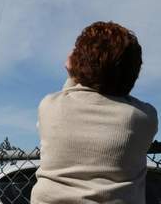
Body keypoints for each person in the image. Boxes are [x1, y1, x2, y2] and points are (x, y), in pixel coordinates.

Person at [31, 21, 158, 203]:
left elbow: (70, 97)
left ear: (76, 63)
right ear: (133, 72)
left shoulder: (49, 106)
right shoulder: (144, 118)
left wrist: (74, 75)